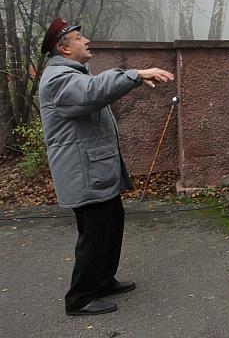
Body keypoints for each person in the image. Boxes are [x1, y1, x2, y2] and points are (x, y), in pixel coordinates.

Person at [38, 18, 175, 316]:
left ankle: (102, 280)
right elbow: (92, 92)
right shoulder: (59, 78)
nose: (86, 40)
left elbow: (94, 89)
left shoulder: (72, 73)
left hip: (95, 171)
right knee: (95, 234)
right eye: (78, 38)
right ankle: (80, 298)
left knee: (111, 224)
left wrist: (131, 79)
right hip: (83, 173)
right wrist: (134, 75)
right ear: (64, 49)